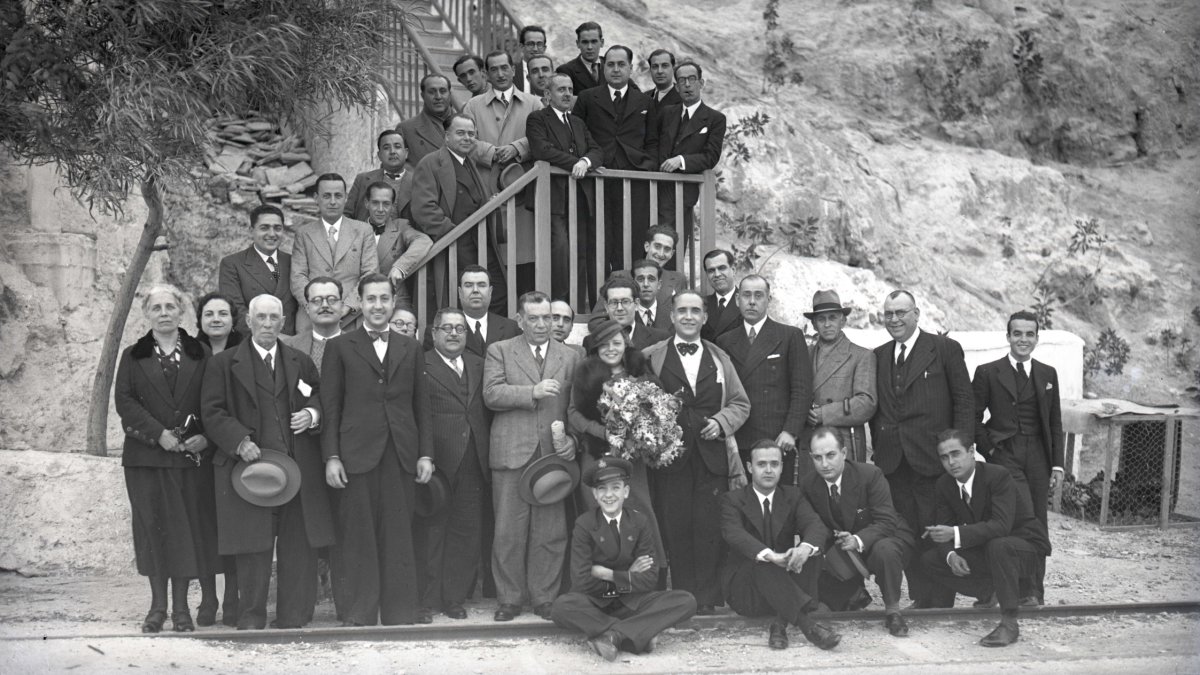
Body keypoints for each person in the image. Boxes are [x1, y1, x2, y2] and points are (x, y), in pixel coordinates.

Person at [201, 294, 333, 630]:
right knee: (252, 547)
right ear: (248, 321)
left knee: (298, 545)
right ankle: (251, 616)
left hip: (295, 470)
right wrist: (239, 441)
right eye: (261, 317)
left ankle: (294, 616)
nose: (268, 324)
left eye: (274, 318)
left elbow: (319, 394)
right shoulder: (223, 364)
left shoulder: (300, 361)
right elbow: (212, 411)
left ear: (283, 322)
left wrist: (311, 413)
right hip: (249, 470)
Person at [320, 273, 434, 626]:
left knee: (399, 533)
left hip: (400, 452)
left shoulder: (411, 348)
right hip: (356, 455)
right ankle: (361, 611)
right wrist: (332, 456)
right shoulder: (340, 347)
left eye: (384, 299)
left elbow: (421, 406)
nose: (378, 306)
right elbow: (331, 406)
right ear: (361, 302)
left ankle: (400, 611)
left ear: (393, 301)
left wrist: (425, 454)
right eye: (371, 299)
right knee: (359, 535)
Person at [115, 285, 220, 633]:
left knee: (185, 532)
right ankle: (157, 607)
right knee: (152, 530)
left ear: (181, 312)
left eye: (170, 306)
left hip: (189, 459)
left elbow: (213, 399)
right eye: (156, 307)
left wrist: (204, 435)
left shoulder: (199, 353)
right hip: (146, 459)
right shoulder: (133, 356)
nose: (164, 313)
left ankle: (181, 610)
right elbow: (125, 403)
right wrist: (159, 434)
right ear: (147, 313)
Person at [644, 291, 750, 614]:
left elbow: (741, 403)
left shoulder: (721, 359)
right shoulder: (652, 356)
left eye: (695, 311)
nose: (688, 316)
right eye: (682, 311)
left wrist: (721, 423)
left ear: (705, 318)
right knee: (675, 525)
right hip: (670, 460)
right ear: (672, 317)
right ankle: (683, 598)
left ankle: (706, 599)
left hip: (711, 459)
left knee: (709, 527)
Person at [869, 289, 974, 607]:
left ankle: (940, 599)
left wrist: (961, 453)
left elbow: (964, 401)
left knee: (936, 529)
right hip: (893, 463)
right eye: (889, 314)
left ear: (916, 314)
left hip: (933, 460)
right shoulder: (878, 355)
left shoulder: (943, 349)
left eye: (901, 312)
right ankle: (919, 596)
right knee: (907, 532)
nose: (895, 319)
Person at [483, 291, 581, 622]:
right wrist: (531, 392)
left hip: (552, 455)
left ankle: (545, 597)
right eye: (535, 318)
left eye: (548, 317)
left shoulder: (570, 356)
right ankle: (509, 599)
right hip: (511, 452)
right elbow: (491, 394)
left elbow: (575, 407)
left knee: (551, 530)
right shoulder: (500, 351)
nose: (543, 324)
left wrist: (572, 440)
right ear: (520, 320)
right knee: (508, 531)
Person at [551, 456, 697, 661]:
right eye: (602, 489)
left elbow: (650, 578)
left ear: (626, 492)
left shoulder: (639, 521)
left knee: (685, 601)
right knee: (561, 607)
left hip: (632, 603)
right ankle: (636, 633)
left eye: (615, 488)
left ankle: (612, 635)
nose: (609, 495)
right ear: (594, 494)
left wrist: (609, 574)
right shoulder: (584, 524)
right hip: (596, 603)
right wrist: (629, 575)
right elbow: (582, 581)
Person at [922, 430, 1051, 647]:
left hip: (1025, 548)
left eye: (956, 454)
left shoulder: (997, 475)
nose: (951, 462)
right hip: (991, 548)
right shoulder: (945, 484)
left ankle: (1009, 623)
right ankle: (989, 591)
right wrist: (951, 555)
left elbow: (1001, 526)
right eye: (944, 457)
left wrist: (954, 533)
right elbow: (942, 530)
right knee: (931, 559)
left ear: (972, 451)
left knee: (998, 545)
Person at [971, 310, 1063, 606]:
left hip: (1038, 455)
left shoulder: (1048, 374)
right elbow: (972, 418)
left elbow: (1055, 422)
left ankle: (1033, 591)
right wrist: (991, 449)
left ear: (1037, 338)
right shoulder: (988, 371)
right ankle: (1001, 588)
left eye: (1029, 334)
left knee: (1037, 521)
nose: (1023, 339)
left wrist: (1057, 463)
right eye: (1017, 333)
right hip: (1005, 454)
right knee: (1010, 518)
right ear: (1008, 336)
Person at [720, 440, 840, 650]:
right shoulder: (732, 500)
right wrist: (770, 556)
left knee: (811, 552)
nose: (768, 470)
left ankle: (779, 624)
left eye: (774, 464)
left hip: (787, 587)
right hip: (748, 592)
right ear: (750, 468)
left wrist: (803, 549)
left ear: (782, 467)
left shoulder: (792, 496)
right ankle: (808, 626)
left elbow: (816, 526)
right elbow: (734, 534)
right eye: (762, 464)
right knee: (762, 561)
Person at [568, 316, 666, 559]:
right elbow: (573, 413)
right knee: (598, 508)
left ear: (626, 345)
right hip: (595, 454)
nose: (610, 349)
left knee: (637, 508)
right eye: (604, 345)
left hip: (631, 457)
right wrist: (602, 432)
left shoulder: (640, 374)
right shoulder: (585, 374)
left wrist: (636, 431)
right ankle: (602, 575)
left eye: (616, 343)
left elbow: (657, 411)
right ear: (595, 349)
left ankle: (648, 570)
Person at [803, 428, 916, 637]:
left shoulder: (869, 474)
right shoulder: (809, 484)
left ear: (844, 453)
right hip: (845, 546)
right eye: (817, 458)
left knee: (885, 550)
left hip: (885, 538)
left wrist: (858, 539)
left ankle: (893, 611)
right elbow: (814, 524)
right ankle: (853, 594)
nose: (825, 464)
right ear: (811, 458)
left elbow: (887, 521)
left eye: (830, 455)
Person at [420, 307, 491, 621]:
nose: (453, 333)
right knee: (431, 531)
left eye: (459, 328)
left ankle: (454, 598)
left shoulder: (480, 364)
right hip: (436, 462)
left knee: (466, 531)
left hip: (474, 460)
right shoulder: (420, 365)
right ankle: (427, 598)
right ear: (434, 333)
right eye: (446, 328)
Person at [717, 275, 813, 483]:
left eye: (758, 295)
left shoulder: (789, 336)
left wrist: (790, 431)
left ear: (769, 300)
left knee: (778, 504)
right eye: (746, 295)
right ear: (737, 300)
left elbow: (802, 389)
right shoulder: (724, 341)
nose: (752, 301)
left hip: (777, 439)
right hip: (739, 437)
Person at [573, 44, 657, 270]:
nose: (616, 69)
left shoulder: (645, 102)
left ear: (630, 68)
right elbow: (577, 133)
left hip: (634, 181)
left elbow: (653, 141)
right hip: (597, 178)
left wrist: (646, 166)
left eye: (621, 65)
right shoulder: (587, 98)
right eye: (610, 65)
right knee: (598, 240)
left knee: (632, 239)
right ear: (603, 68)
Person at [412, 115, 506, 312]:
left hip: (482, 242)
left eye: (471, 134)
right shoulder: (430, 163)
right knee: (459, 301)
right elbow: (424, 209)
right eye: (461, 133)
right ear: (447, 137)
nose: (467, 138)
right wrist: (453, 234)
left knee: (497, 296)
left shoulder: (469, 162)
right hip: (454, 243)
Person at [526, 72, 604, 303]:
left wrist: (586, 162)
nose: (568, 94)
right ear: (548, 95)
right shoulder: (537, 119)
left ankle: (576, 306)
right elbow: (542, 150)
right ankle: (557, 303)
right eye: (561, 89)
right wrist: (575, 163)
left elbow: (597, 150)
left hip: (579, 197)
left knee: (579, 252)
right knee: (559, 251)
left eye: (570, 89)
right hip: (553, 198)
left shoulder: (578, 122)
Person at [290, 173, 379, 334]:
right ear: (316, 198)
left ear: (345, 197)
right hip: (310, 318)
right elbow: (297, 276)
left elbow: (370, 274)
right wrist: (313, 305)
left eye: (338, 196)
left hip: (352, 317)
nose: (332, 202)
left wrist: (347, 307)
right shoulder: (304, 234)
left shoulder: (363, 231)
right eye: (326, 196)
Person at [654, 61, 726, 246]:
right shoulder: (665, 113)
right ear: (676, 87)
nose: (687, 84)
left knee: (674, 246)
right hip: (655, 189)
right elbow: (653, 145)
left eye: (692, 79)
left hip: (684, 193)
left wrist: (681, 160)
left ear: (701, 83)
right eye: (682, 80)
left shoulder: (715, 119)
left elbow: (711, 156)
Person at [805, 290, 876, 462]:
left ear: (843, 321)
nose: (827, 324)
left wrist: (825, 413)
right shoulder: (804, 355)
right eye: (821, 319)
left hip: (844, 442)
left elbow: (866, 404)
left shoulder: (861, 356)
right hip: (810, 441)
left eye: (833, 318)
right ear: (814, 325)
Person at [218, 204, 297, 337]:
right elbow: (235, 311)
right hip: (251, 345)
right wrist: (271, 338)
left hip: (291, 346)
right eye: (264, 228)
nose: (272, 234)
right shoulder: (232, 264)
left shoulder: (294, 262)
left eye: (277, 228)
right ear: (251, 230)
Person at [421, 265, 521, 358]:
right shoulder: (437, 331)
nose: (475, 290)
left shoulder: (511, 329)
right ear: (460, 292)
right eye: (468, 285)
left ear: (490, 291)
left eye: (481, 285)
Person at [362, 181, 432, 308]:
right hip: (363, 304)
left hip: (397, 303)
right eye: (375, 203)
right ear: (367, 203)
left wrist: (400, 266)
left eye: (386, 204)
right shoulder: (354, 230)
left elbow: (423, 241)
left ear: (392, 206)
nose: (380, 209)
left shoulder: (400, 226)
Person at [592, 226, 687, 314]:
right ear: (647, 246)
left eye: (667, 249)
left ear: (672, 253)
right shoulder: (619, 277)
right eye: (657, 246)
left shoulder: (678, 280)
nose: (661, 253)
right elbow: (597, 319)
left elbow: (682, 315)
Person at [345, 130, 413, 222]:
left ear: (406, 153)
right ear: (379, 155)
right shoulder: (362, 180)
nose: (392, 151)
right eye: (386, 148)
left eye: (397, 147)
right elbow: (346, 216)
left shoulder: (418, 182)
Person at [280, 277, 344, 372]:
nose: (325, 305)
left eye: (332, 300)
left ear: (342, 306)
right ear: (307, 308)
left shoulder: (361, 347)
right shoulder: (288, 347)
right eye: (317, 300)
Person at [397, 74, 453, 167]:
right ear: (422, 95)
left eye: (443, 91)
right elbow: (392, 167)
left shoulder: (467, 124)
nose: (438, 96)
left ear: (450, 94)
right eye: (432, 92)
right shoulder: (406, 129)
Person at [600, 277, 669, 350]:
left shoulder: (660, 338)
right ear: (606, 306)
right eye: (614, 302)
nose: (619, 308)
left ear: (636, 304)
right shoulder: (595, 340)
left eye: (625, 302)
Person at [556, 22, 605, 96]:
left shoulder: (611, 65)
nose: (589, 47)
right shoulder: (566, 71)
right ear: (578, 44)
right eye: (585, 42)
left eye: (594, 42)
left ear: (602, 43)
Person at [701, 249, 740, 340]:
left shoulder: (747, 302)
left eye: (722, 268)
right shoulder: (702, 304)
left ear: (733, 270)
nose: (717, 274)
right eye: (711, 271)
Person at [644, 49, 681, 119]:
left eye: (665, 66)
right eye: (655, 66)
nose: (659, 71)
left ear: (673, 69)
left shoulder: (685, 98)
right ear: (650, 70)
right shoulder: (643, 97)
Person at [513, 25, 547, 94]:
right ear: (521, 47)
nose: (535, 49)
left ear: (544, 48)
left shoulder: (552, 75)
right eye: (530, 44)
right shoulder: (511, 73)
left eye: (539, 44)